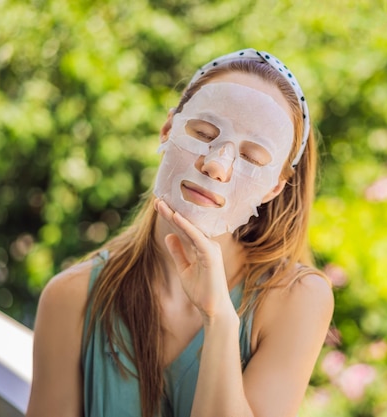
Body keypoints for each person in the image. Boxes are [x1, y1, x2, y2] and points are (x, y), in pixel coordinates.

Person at [25, 48, 334, 417]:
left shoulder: (296, 299)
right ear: (168, 130)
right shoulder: (70, 299)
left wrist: (219, 318)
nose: (217, 165)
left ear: (273, 189)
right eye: (203, 133)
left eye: (252, 158)